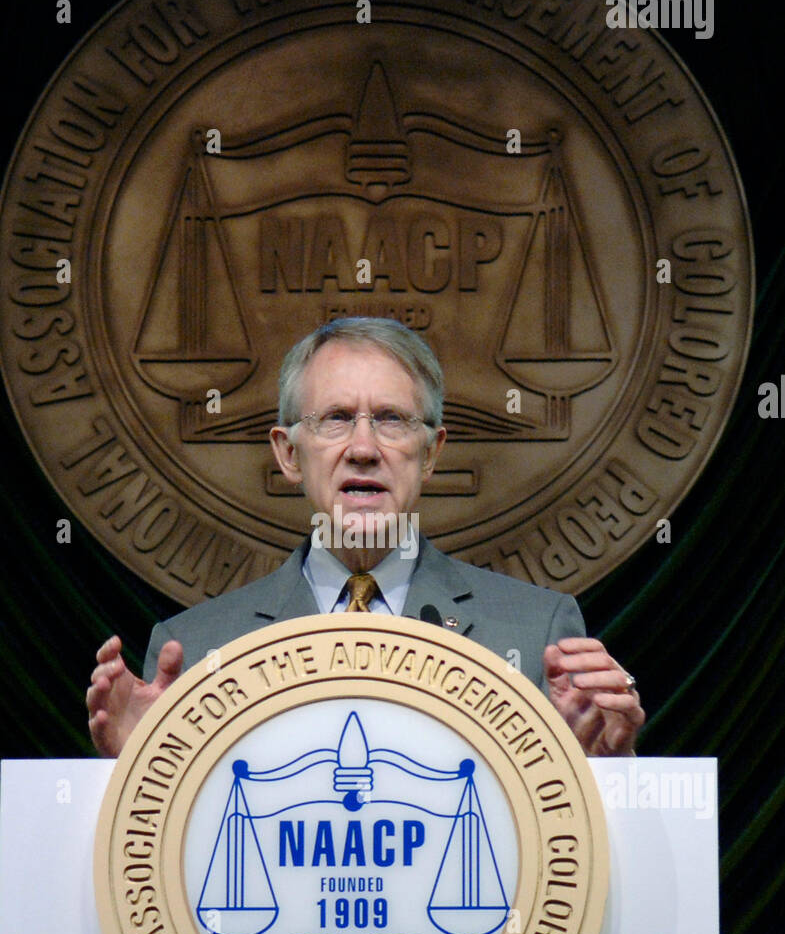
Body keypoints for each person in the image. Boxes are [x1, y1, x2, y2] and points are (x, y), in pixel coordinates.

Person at [87, 318, 644, 757]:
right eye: (335, 418)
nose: (363, 447)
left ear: (432, 453)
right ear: (288, 454)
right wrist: (136, 775)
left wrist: (603, 769)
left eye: (392, 419)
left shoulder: (536, 633)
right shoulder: (196, 651)